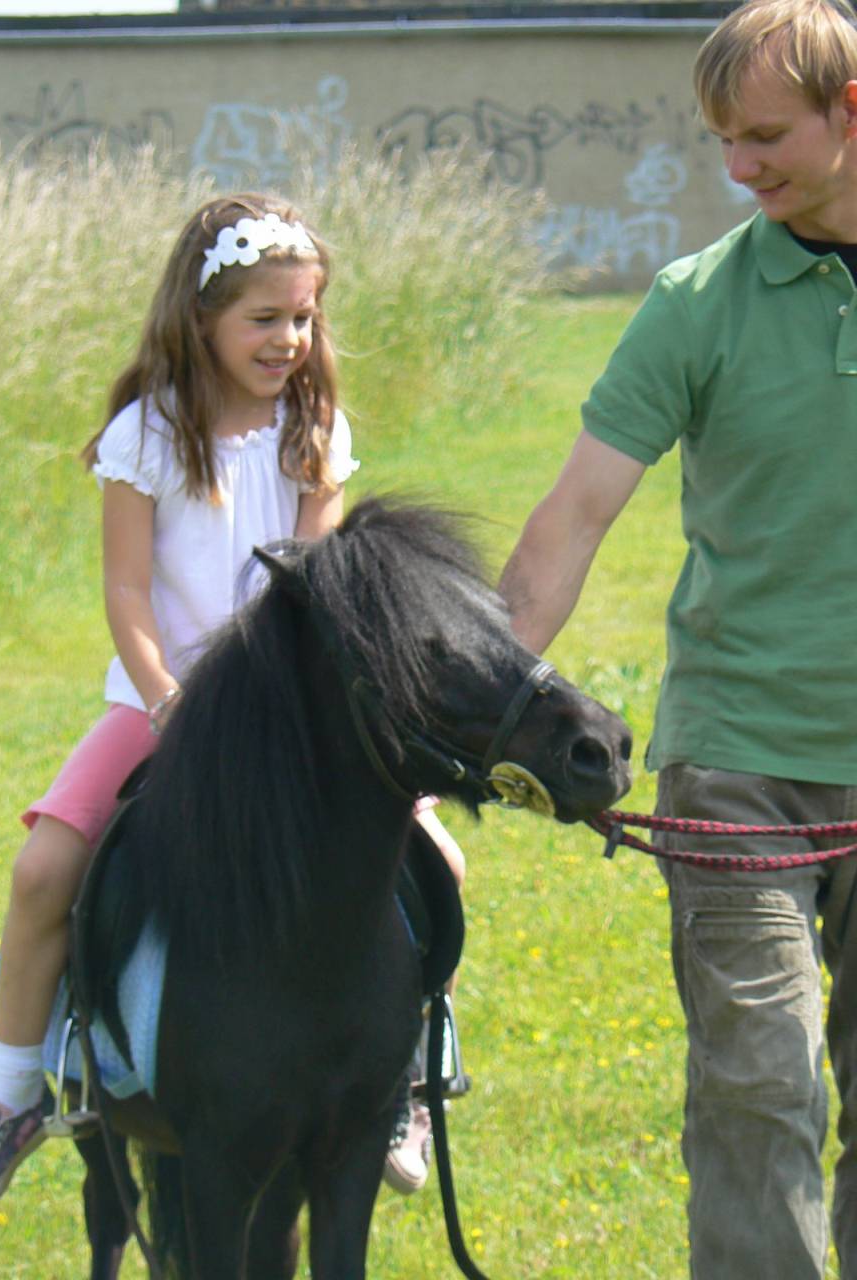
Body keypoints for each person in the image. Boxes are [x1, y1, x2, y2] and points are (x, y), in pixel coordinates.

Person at [0, 192, 461, 1217]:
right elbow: (128, 593)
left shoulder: (317, 431)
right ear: (202, 315)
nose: (290, 339)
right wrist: (174, 698)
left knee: (436, 858)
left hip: (291, 712)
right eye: (266, 317)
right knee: (44, 864)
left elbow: (313, 587)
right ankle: (12, 1093)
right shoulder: (147, 433)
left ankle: (408, 1077)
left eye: (305, 317)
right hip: (158, 701)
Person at [499, 2, 857, 1275]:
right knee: (761, 1088)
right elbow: (572, 517)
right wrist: (469, 708)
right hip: (737, 764)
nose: (740, 169)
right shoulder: (695, 302)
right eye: (723, 144)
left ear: (849, 111)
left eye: (766, 137)